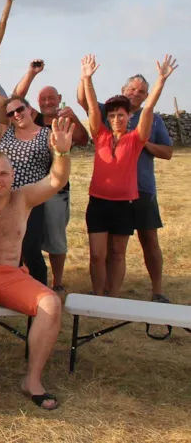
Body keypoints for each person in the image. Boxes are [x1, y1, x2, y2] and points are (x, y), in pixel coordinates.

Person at [0, 117, 75, 411]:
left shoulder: (24, 198)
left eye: (4, 174)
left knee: (52, 303)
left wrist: (62, 153)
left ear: (13, 175)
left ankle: (32, 380)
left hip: (12, 275)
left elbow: (56, 180)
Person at [79, 54, 178, 298]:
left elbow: (150, 109)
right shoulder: (100, 134)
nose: (115, 118)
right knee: (97, 255)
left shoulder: (136, 139)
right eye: (111, 115)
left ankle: (114, 298)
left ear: (128, 118)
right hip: (99, 202)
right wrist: (87, 78)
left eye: (120, 115)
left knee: (118, 252)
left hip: (128, 201)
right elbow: (91, 106)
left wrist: (161, 81)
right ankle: (98, 294)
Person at [12, 60, 89, 292]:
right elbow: (16, 96)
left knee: (55, 239)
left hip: (56, 190)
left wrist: (74, 117)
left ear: (59, 99)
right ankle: (27, 278)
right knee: (27, 240)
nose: (47, 102)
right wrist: (31, 73)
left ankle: (57, 282)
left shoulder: (65, 121)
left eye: (51, 99)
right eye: (43, 99)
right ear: (36, 103)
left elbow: (83, 140)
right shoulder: (31, 118)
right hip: (30, 190)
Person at [0, 96, 55, 286]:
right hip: (6, 199)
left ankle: (40, 291)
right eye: (11, 113)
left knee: (30, 248)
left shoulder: (47, 134)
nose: (16, 115)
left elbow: (57, 165)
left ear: (29, 109)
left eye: (20, 109)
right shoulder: (6, 132)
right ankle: (11, 287)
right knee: (7, 248)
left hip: (32, 200)